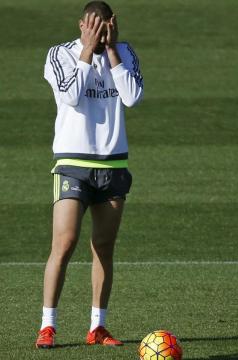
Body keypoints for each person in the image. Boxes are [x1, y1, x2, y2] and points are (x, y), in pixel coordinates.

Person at [36, 1, 143, 348]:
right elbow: (69, 95)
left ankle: (98, 326)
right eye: (92, 28)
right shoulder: (60, 54)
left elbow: (132, 97)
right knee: (64, 243)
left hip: (112, 165)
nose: (98, 34)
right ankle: (47, 326)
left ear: (113, 25)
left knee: (103, 248)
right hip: (73, 163)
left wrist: (111, 51)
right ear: (81, 24)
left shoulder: (124, 53)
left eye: (104, 28)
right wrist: (85, 51)